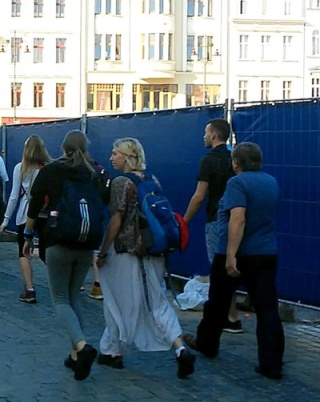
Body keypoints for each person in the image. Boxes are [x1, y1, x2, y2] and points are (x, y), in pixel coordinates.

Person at [95, 138, 196, 379]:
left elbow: (117, 220)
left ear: (126, 157)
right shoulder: (151, 179)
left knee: (115, 300)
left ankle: (113, 350)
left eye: (115, 153)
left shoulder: (121, 182)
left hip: (128, 252)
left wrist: (103, 250)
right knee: (158, 302)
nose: (111, 158)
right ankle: (180, 348)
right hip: (154, 250)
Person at [184, 143, 284, 380]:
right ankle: (272, 363)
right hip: (265, 252)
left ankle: (207, 344)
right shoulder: (271, 181)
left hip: (236, 253)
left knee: (217, 303)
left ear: (236, 163)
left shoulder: (237, 183)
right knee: (267, 309)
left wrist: (231, 254)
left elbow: (237, 218)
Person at [22, 130, 101, 381]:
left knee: (59, 298)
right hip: (86, 242)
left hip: (58, 239)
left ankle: (81, 346)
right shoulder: (94, 173)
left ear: (63, 147)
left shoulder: (52, 170)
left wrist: (28, 234)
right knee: (74, 296)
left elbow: (35, 204)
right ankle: (75, 355)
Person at [183, 119, 243, 333]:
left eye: (206, 132)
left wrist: (184, 221)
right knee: (231, 265)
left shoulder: (208, 160)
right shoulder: (235, 159)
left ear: (214, 135)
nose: (204, 136)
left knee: (219, 269)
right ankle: (232, 314)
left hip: (215, 219)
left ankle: (229, 316)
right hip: (236, 217)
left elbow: (199, 196)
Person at [1, 135, 51, 303]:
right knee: (47, 251)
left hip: (25, 213)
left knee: (23, 251)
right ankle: (63, 282)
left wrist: (6, 220)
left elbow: (14, 196)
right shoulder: (49, 168)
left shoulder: (20, 168)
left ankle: (29, 289)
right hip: (46, 214)